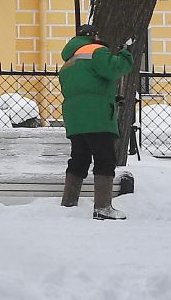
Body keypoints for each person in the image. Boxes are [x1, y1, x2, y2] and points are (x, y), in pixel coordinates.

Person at [58, 25, 135, 219]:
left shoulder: (69, 61)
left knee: (79, 158)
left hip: (75, 119)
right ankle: (103, 207)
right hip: (97, 116)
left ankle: (69, 204)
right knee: (105, 158)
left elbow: (88, 85)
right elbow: (114, 68)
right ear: (94, 36)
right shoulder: (94, 50)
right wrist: (126, 55)